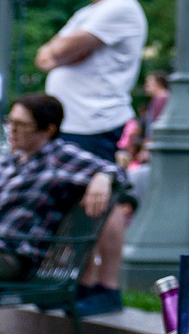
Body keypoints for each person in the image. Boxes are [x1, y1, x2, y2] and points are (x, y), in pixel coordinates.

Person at [33, 0, 146, 315]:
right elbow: (43, 55)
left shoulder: (121, 8)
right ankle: (81, 284)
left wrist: (60, 51)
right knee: (80, 204)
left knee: (105, 204)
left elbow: (58, 51)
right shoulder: (89, 12)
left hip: (95, 123)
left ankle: (107, 287)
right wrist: (57, 51)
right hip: (74, 123)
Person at [0, 94, 122, 281]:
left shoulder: (59, 156)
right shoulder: (9, 162)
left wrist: (103, 178)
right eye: (10, 121)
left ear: (48, 130)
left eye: (22, 125)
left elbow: (115, 171)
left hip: (15, 255)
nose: (12, 130)